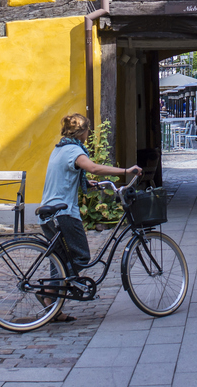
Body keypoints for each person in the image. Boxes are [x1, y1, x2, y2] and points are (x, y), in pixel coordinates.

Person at [39, 114, 142, 320]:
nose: (89, 134)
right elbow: (93, 167)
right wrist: (126, 170)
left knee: (59, 260)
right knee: (81, 257)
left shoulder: (59, 149)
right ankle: (49, 292)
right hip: (64, 213)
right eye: (88, 130)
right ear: (82, 132)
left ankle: (53, 309)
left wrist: (87, 183)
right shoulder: (74, 150)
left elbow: (66, 174)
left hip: (48, 213)